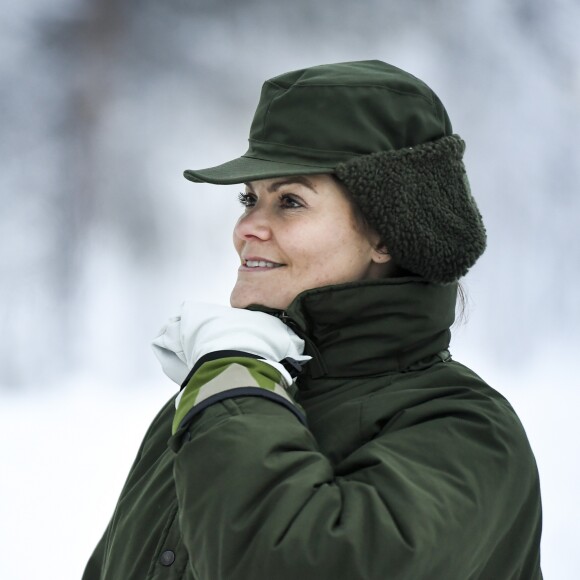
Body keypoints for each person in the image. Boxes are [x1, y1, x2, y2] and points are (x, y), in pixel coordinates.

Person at [82, 60, 542, 579]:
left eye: (290, 201)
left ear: (387, 234)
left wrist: (235, 378)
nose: (247, 227)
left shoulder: (468, 433)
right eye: (249, 198)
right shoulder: (212, 404)